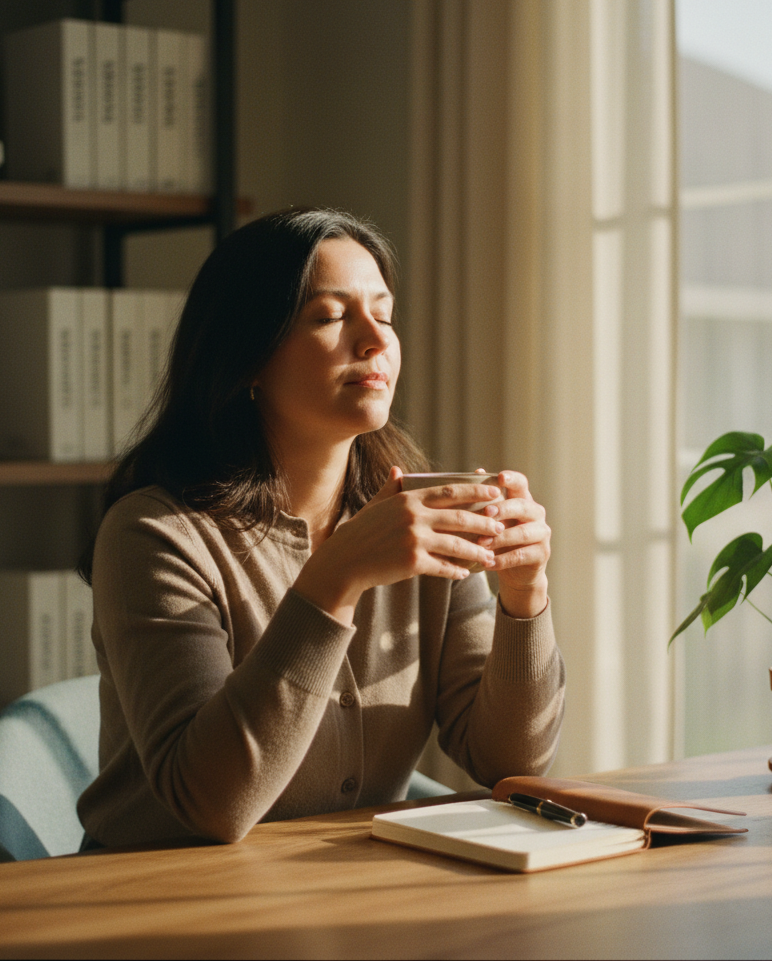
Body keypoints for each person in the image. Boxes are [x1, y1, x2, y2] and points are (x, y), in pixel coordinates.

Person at [77, 208, 565, 848]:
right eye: (331, 317)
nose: (375, 340)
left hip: (343, 897)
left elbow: (511, 766)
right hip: (157, 905)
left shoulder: (421, 517)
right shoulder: (155, 534)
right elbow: (211, 806)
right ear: (247, 356)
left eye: (385, 315)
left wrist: (524, 599)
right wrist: (335, 578)